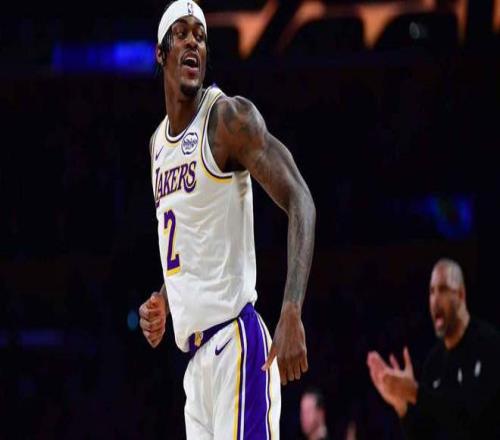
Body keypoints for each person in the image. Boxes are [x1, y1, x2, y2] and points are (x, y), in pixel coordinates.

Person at [138, 1, 316, 438]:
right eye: (181, 34)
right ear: (161, 53)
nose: (193, 42)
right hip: (195, 368)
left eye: (199, 36)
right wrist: (165, 297)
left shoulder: (228, 120)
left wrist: (292, 308)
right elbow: (191, 239)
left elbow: (301, 199)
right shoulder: (157, 146)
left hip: (236, 344)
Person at [367, 258, 500, 439]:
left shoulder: (490, 344)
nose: (435, 300)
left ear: (461, 294)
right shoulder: (434, 363)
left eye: (443, 290)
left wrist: (415, 392)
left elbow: (475, 422)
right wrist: (402, 406)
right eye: (431, 291)